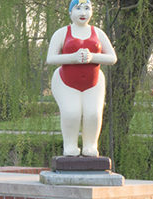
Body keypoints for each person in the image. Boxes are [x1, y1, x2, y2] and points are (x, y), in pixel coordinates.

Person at [46, 0, 117, 157]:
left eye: (87, 8)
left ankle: (90, 145)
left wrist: (92, 57)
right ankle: (70, 145)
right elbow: (51, 58)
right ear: (70, 12)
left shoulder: (98, 33)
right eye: (78, 8)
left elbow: (112, 58)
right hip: (67, 83)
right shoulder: (62, 33)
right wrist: (72, 57)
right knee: (71, 113)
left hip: (93, 83)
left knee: (93, 114)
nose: (83, 13)